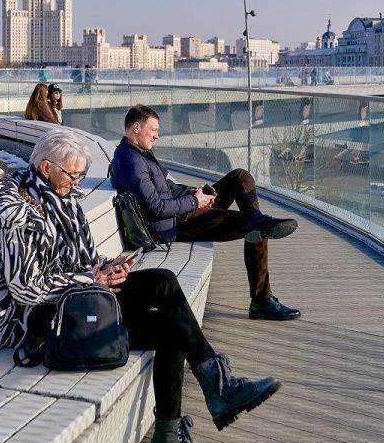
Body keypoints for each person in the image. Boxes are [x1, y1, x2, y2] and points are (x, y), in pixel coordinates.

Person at [0, 130, 281, 443]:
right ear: (46, 167)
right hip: (48, 320)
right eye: (71, 175)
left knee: (163, 283)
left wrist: (106, 267)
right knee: (171, 325)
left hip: (80, 299)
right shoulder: (21, 216)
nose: (76, 182)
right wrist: (92, 281)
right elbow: (26, 288)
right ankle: (196, 414)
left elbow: (82, 260)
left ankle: (184, 424)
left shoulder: (64, 198)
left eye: (79, 175)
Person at [111, 105, 301, 321]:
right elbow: (156, 208)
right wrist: (194, 201)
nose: (157, 135)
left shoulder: (141, 154)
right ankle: (262, 300)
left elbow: (167, 188)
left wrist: (193, 192)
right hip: (174, 225)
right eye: (153, 129)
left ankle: (255, 220)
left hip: (181, 211)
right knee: (257, 227)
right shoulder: (131, 161)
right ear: (136, 127)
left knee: (240, 177)